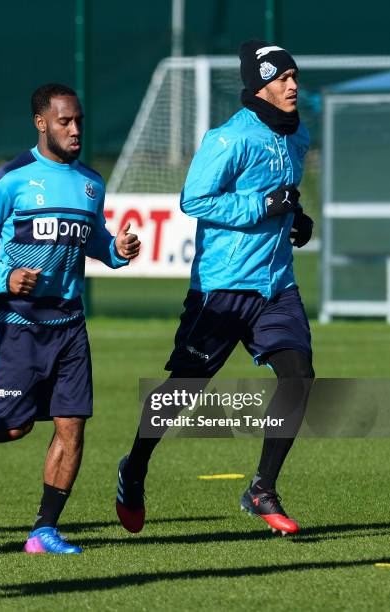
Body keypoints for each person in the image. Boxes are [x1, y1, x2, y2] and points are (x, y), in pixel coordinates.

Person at [0, 83, 140, 554]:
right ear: (42, 123)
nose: (75, 129)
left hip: (70, 324)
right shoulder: (13, 178)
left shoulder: (91, 182)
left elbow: (93, 239)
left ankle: (44, 529)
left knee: (72, 425)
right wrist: (3, 276)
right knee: (13, 427)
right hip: (16, 323)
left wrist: (116, 251)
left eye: (79, 120)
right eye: (65, 121)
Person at [116, 41, 314, 536]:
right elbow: (195, 200)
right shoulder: (229, 139)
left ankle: (262, 488)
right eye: (282, 77)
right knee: (185, 389)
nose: (292, 85)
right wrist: (261, 207)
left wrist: (298, 218)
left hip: (276, 286)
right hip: (223, 286)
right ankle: (134, 467)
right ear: (259, 85)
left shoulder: (298, 135)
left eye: (295, 76)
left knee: (300, 376)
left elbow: (283, 199)